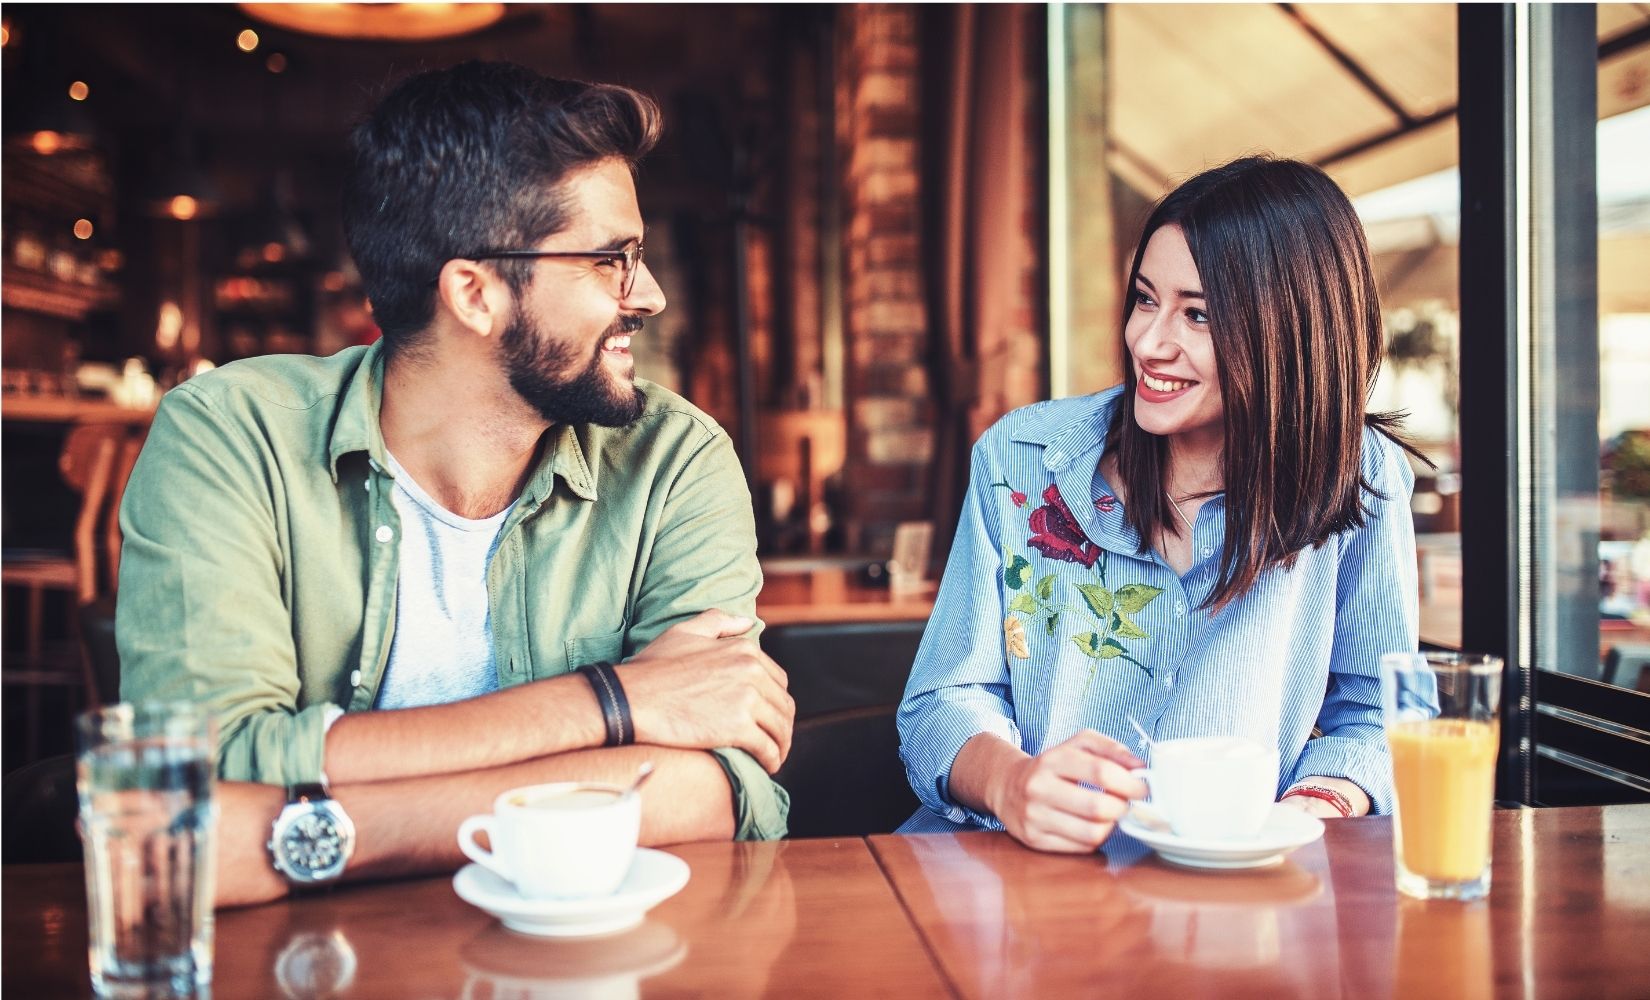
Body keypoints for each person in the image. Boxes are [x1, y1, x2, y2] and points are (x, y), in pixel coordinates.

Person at [117, 62, 794, 905]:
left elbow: (723, 786)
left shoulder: (673, 460)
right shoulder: (229, 436)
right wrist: (614, 704)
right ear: (473, 293)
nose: (646, 294)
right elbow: (199, 766)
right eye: (608, 261)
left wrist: (311, 834)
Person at [897, 156, 1420, 852]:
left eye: (1197, 315)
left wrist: (1306, 809)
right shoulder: (1019, 460)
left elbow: (1382, 718)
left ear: (1290, 334)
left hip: (1238, 906)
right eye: (1146, 300)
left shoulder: (1359, 477)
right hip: (1016, 884)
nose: (1147, 342)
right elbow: (939, 702)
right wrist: (1010, 783)